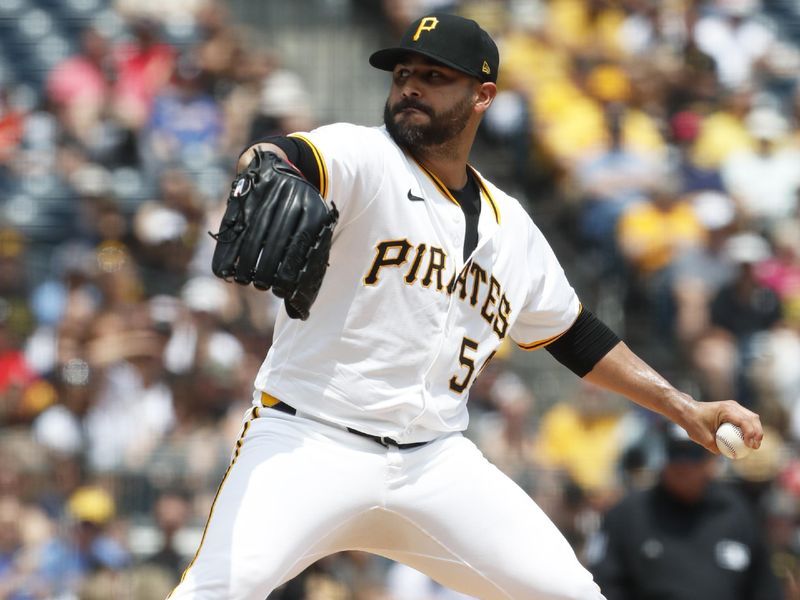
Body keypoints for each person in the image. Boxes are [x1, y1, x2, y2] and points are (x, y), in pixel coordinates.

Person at [166, 13, 764, 600]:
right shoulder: (365, 157)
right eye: (402, 73)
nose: (411, 86)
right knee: (219, 589)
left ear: (482, 95)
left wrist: (684, 408)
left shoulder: (514, 227)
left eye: (434, 75)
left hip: (435, 462)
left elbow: (575, 335)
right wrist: (266, 165)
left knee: (572, 593)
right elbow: (283, 155)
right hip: (309, 439)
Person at [586, 422, 783, 600]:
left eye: (692, 455)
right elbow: (603, 584)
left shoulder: (736, 512)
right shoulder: (629, 514)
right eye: (676, 454)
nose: (683, 465)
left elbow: (765, 587)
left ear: (710, 461)